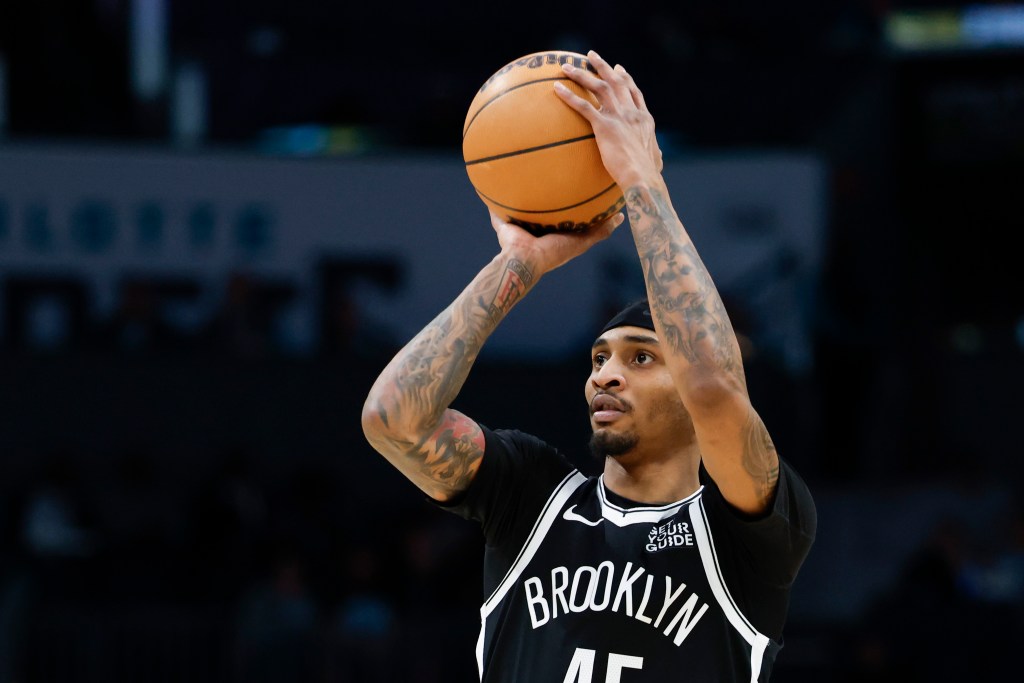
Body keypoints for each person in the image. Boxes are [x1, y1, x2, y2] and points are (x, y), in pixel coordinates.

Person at [361, 50, 816, 682]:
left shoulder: (743, 532)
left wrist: (642, 183)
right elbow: (392, 419)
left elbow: (713, 384)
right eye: (599, 357)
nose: (606, 373)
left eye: (640, 358)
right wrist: (517, 268)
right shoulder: (533, 498)